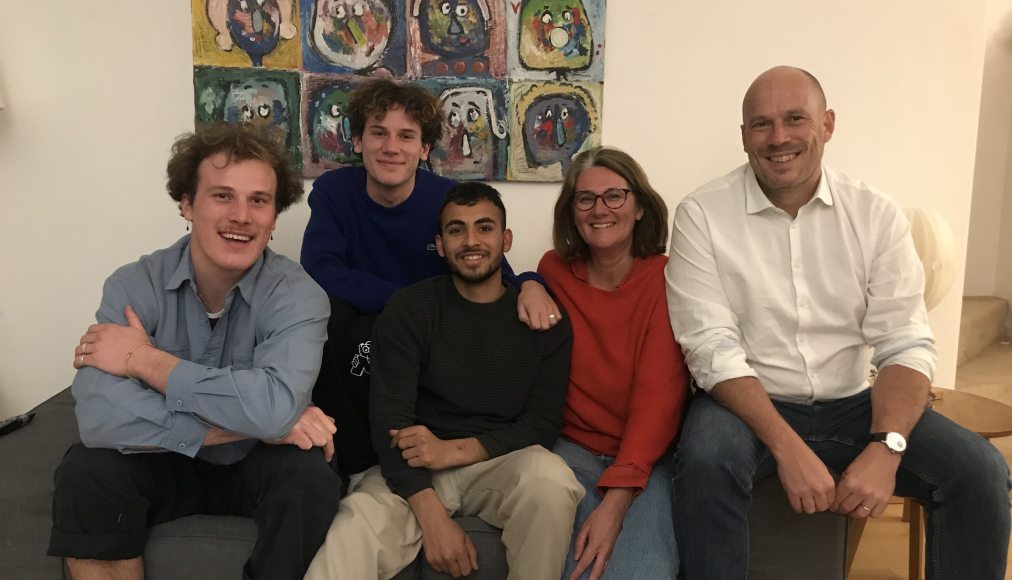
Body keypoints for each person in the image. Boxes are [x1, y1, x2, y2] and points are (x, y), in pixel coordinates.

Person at [666, 65, 1011, 579]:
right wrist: (788, 447)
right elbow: (710, 348)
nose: (778, 137)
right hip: (746, 407)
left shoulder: (876, 214)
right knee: (704, 460)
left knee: (981, 472)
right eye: (761, 124)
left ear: (827, 124)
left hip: (853, 404)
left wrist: (887, 445)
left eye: (795, 119)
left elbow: (905, 342)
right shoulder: (701, 215)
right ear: (743, 138)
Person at [48, 123, 341, 580]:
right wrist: (256, 424)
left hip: (256, 467)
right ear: (187, 204)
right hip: (159, 462)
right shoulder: (132, 285)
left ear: (274, 216)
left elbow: (275, 406)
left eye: (258, 200)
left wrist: (141, 360)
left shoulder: (299, 295)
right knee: (86, 470)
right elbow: (99, 417)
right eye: (222, 195)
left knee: (310, 478)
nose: (242, 216)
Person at [304, 182, 583, 580]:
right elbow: (389, 421)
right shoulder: (409, 309)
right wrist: (433, 518)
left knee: (553, 482)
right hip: (414, 464)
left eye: (484, 228)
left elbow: (542, 425)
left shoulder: (542, 320)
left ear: (505, 239)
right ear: (439, 244)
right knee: (356, 522)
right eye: (456, 230)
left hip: (497, 462)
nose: (471, 241)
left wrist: (453, 451)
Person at [300, 78, 562, 479]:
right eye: (379, 133)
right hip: (363, 331)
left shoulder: (446, 199)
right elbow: (321, 269)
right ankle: (351, 465)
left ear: (423, 149)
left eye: (406, 136)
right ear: (357, 142)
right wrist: (405, 303)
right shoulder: (334, 191)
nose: (391, 147)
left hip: (433, 336)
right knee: (331, 318)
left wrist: (531, 283)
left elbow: (491, 267)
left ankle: (426, 449)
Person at [538, 146, 690, 580]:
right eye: (585, 199)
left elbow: (658, 398)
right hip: (569, 450)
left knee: (646, 570)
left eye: (614, 196)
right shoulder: (553, 271)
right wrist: (528, 285)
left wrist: (616, 502)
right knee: (577, 566)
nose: (598, 210)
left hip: (645, 456)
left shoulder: (669, 277)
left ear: (640, 206)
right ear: (572, 212)